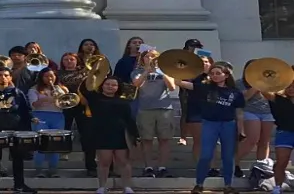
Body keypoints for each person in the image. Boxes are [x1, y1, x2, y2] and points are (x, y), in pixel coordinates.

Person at [178, 64, 247, 194]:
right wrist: (180, 69)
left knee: (228, 157)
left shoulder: (235, 92)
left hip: (228, 124)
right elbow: (180, 83)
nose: (214, 76)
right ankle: (199, 184)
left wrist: (241, 130)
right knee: (205, 155)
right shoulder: (205, 88)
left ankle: (228, 185)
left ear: (226, 75)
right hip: (210, 123)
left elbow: (239, 113)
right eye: (212, 73)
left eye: (218, 73)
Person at [0, 67, 37, 194]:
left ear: (10, 77)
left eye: (5, 75)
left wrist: (32, 118)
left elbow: (26, 110)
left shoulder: (17, 93)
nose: (2, 77)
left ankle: (19, 185)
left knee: (17, 158)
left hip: (15, 128)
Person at [83, 76, 139, 194]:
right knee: (104, 162)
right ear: (102, 85)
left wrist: (134, 134)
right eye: (107, 84)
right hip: (102, 133)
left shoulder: (124, 101)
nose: (110, 87)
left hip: (120, 133)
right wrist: (93, 74)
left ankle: (127, 187)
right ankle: (102, 187)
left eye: (113, 85)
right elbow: (85, 89)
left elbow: (129, 119)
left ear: (118, 87)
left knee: (123, 162)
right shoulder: (95, 98)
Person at [131, 49, 176, 178]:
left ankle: (162, 167)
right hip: (145, 109)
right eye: (148, 56)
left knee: (164, 139)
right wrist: (146, 70)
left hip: (164, 108)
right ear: (143, 59)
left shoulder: (165, 70)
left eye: (153, 56)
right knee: (146, 139)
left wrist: (161, 71)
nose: (150, 58)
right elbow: (137, 84)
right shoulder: (137, 71)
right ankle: (148, 167)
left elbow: (172, 87)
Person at [27, 69, 66, 178]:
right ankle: (39, 170)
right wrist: (49, 99)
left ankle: (53, 170)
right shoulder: (34, 89)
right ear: (41, 78)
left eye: (51, 76)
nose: (49, 79)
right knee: (41, 143)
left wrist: (61, 96)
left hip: (57, 116)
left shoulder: (60, 88)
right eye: (46, 76)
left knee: (55, 144)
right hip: (40, 115)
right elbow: (34, 104)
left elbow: (66, 103)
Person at [261, 80, 294, 194]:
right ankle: (277, 188)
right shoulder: (278, 99)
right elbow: (264, 91)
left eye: (293, 87)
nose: (291, 89)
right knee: (281, 162)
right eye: (289, 86)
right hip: (284, 133)